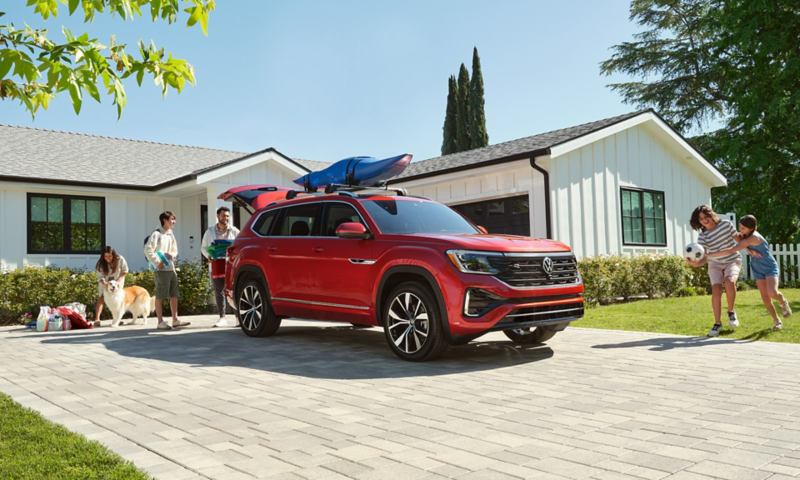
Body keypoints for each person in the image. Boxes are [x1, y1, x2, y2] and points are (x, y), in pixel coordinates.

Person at [707, 215, 792, 330]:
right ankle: (777, 321)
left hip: (769, 266)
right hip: (757, 267)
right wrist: (749, 248)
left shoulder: (752, 238)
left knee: (772, 292)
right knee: (765, 297)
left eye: (743, 228)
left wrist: (708, 255)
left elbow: (732, 249)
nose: (740, 231)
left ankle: (783, 302)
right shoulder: (746, 235)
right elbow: (741, 241)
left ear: (751, 228)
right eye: (740, 227)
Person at [689, 205, 742, 337]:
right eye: (700, 219)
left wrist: (752, 249)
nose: (704, 220)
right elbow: (704, 258)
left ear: (711, 214)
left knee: (730, 282)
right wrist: (696, 264)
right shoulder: (703, 236)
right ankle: (717, 323)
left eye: (705, 216)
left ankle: (731, 312)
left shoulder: (726, 225)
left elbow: (740, 241)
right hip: (715, 264)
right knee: (716, 289)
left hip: (732, 260)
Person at [144, 211, 190, 331]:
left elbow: (175, 250)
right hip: (161, 270)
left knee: (174, 295)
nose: (173, 222)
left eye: (174, 219)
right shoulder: (156, 234)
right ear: (164, 220)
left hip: (171, 268)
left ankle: (175, 320)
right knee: (160, 295)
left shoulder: (171, 234)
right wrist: (157, 263)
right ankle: (160, 322)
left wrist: (172, 255)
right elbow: (148, 250)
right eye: (171, 219)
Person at [201, 206, 240, 327]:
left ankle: (238, 317)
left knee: (234, 291)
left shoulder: (234, 231)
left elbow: (239, 245)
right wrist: (208, 255)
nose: (226, 218)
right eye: (223, 216)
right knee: (219, 291)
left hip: (230, 264)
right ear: (218, 216)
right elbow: (204, 247)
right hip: (217, 263)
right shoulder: (210, 231)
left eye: (228, 216)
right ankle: (222, 317)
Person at [94, 246, 129, 323]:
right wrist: (106, 284)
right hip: (105, 282)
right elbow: (100, 277)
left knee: (118, 299)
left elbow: (125, 270)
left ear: (113, 254)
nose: (108, 258)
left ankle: (117, 319)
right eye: (105, 256)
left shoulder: (120, 259)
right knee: (101, 296)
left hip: (117, 281)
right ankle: (97, 319)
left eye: (110, 256)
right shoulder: (101, 263)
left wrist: (118, 281)